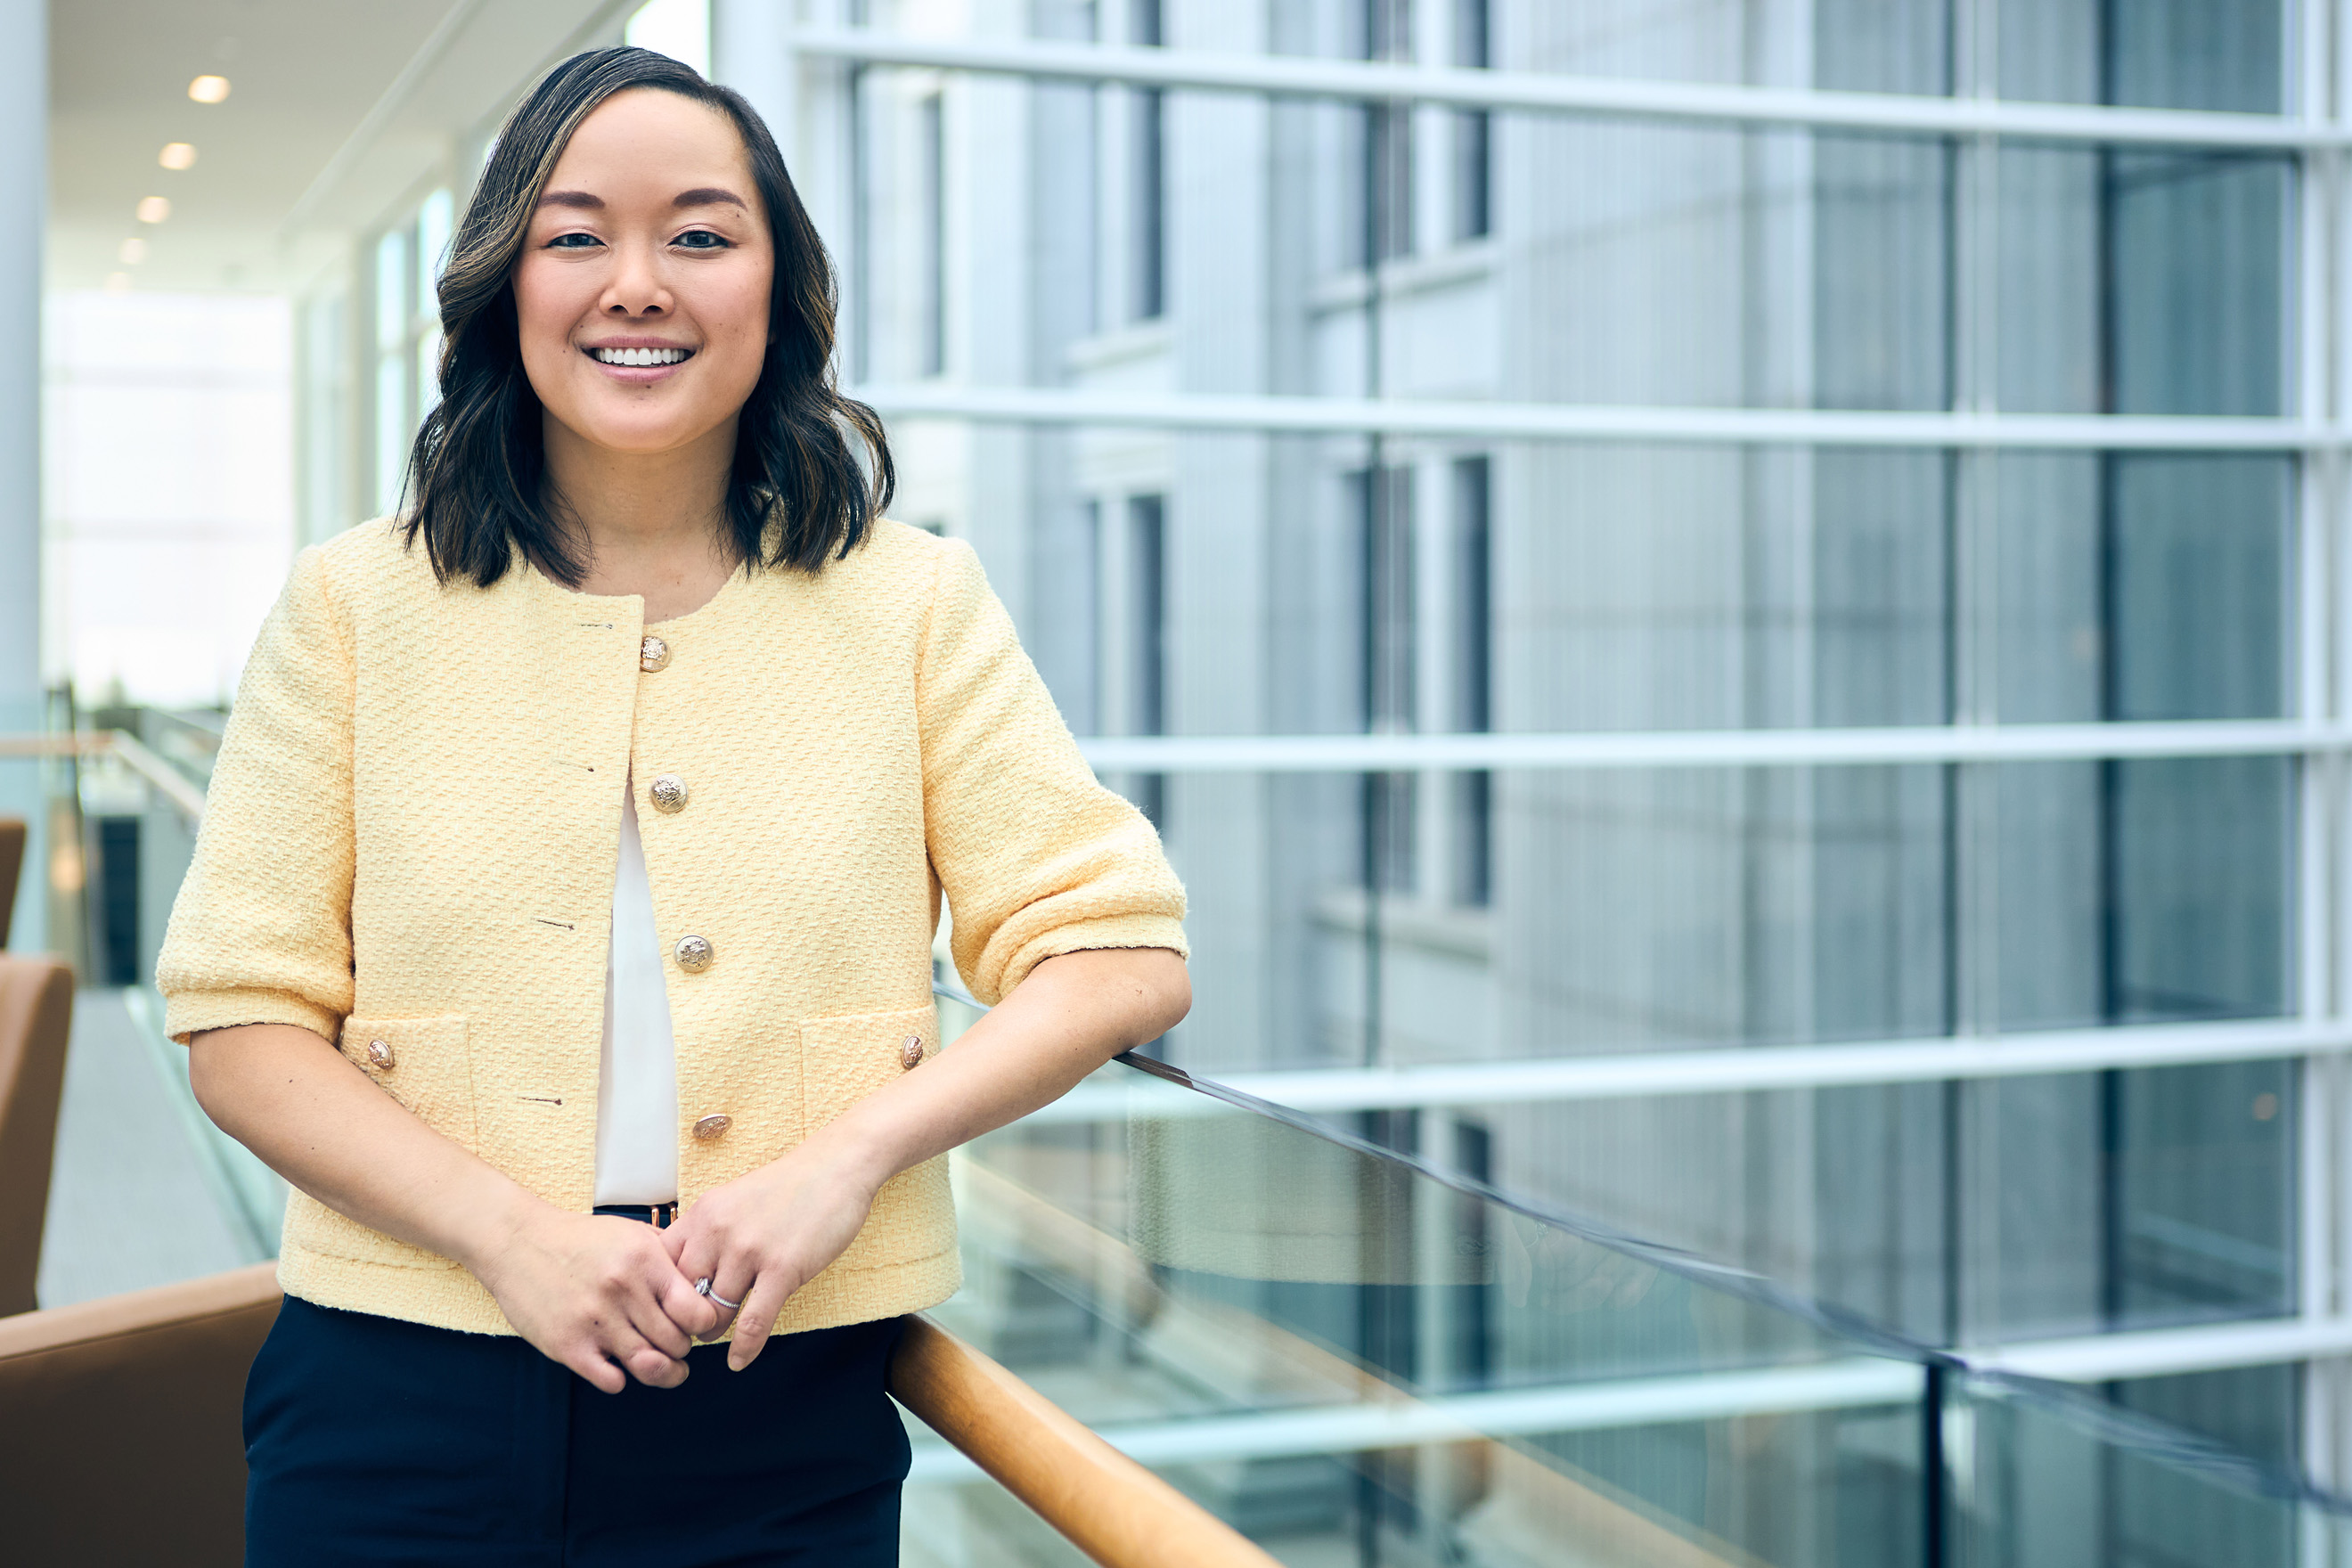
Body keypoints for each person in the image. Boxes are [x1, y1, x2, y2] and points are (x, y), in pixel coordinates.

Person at [157, 46, 1189, 1566]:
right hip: (394, 1392)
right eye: (577, 235)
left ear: (779, 292)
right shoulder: (353, 605)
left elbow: (1119, 953)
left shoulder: (914, 601)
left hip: (778, 1397)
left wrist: (840, 1167)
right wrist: (515, 1241)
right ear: (510, 282)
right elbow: (240, 1023)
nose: (637, 283)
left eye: (701, 235)